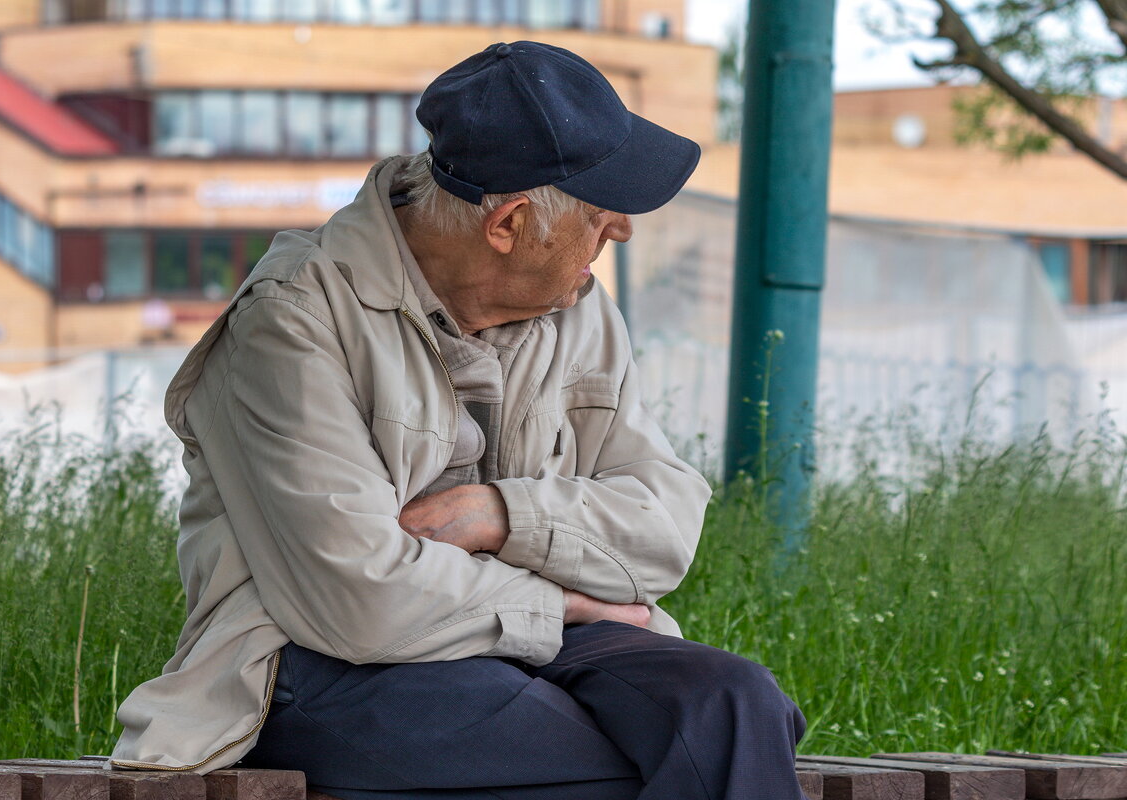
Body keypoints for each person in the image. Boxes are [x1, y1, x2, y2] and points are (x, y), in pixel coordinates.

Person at [111, 41, 808, 799]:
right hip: (319, 664)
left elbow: (665, 530)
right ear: (508, 223)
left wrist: (501, 515)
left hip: (543, 647)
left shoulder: (576, 308)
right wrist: (570, 601)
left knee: (738, 706)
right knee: (654, 760)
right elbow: (361, 599)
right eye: (601, 220)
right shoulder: (291, 320)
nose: (622, 236)